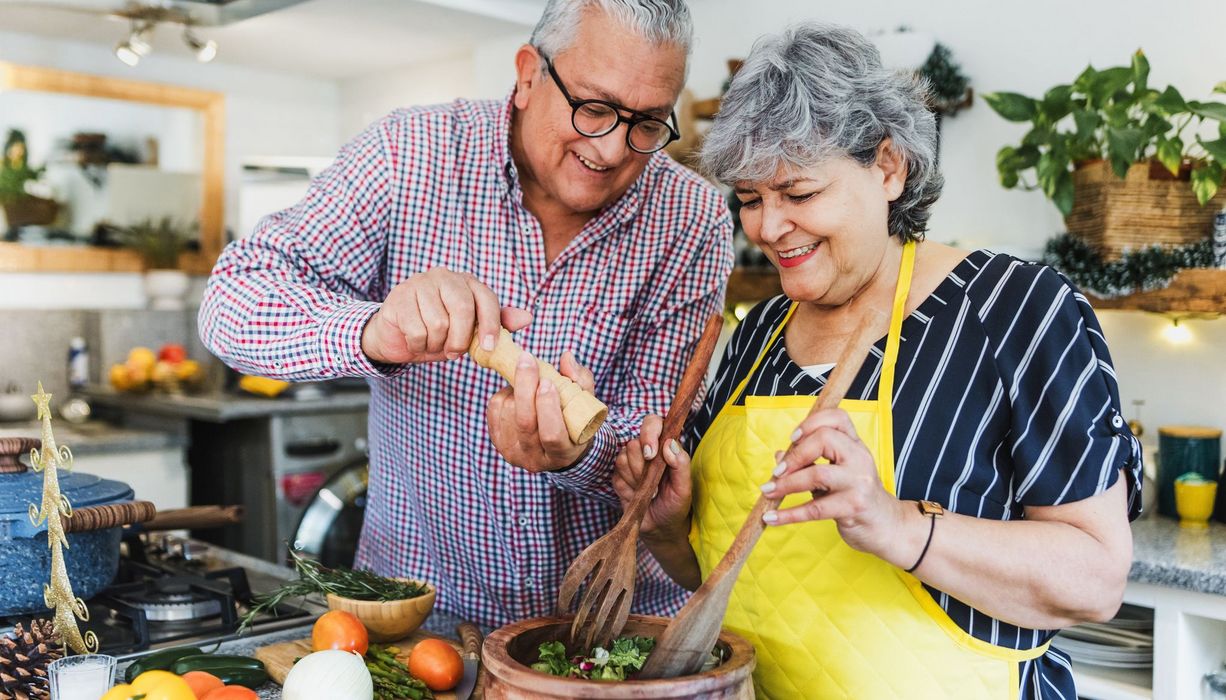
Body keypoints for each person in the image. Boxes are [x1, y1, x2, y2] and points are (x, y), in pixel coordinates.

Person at [613, 23, 1140, 699]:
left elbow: (1095, 578)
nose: (768, 227)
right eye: (749, 199)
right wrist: (663, 529)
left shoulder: (1015, 309)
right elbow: (721, 582)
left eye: (798, 194)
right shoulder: (759, 336)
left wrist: (894, 525)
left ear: (888, 168)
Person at [198, 0, 732, 628]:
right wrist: (375, 330)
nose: (614, 148)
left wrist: (576, 454)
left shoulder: (691, 218)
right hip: (419, 620)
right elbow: (233, 299)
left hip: (611, 628)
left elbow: (654, 437)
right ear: (529, 74)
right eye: (594, 108)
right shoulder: (408, 155)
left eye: (647, 123)